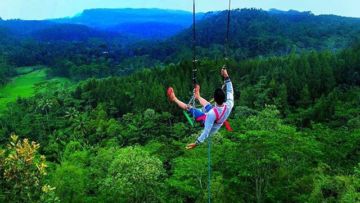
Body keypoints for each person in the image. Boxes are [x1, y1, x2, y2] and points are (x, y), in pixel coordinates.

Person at [167, 68, 234, 150]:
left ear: (215, 99)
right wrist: (226, 76)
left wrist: (196, 143)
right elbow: (230, 90)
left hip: (207, 121)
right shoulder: (229, 104)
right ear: (224, 98)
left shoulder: (211, 114)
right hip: (218, 116)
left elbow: (206, 132)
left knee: (189, 108)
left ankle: (174, 99)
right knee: (208, 104)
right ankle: (197, 96)